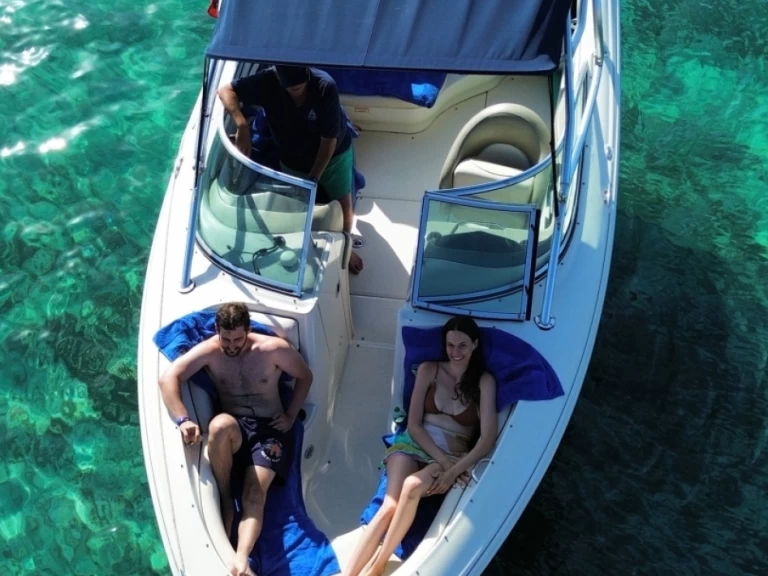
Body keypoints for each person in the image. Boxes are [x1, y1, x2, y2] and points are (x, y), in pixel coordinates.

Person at [158, 302, 313, 576]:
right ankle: (226, 497)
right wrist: (183, 419)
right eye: (226, 339)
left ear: (248, 330)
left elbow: (305, 376)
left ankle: (241, 558)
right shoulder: (211, 351)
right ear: (217, 330)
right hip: (235, 427)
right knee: (218, 425)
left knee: (254, 493)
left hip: (270, 429)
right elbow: (168, 378)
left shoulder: (272, 349)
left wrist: (290, 415)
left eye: (237, 339)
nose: (231, 346)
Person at [343, 316, 497, 576]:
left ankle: (378, 566)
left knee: (412, 486)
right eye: (450, 345)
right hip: (416, 444)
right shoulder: (429, 369)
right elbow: (414, 425)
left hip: (451, 453)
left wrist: (453, 468)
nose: (455, 352)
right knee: (389, 505)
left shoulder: (484, 382)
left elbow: (487, 439)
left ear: (475, 344)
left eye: (462, 345)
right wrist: (446, 465)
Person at [217, 64, 364, 274]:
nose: (297, 90)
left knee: (345, 208)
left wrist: (313, 179)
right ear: (278, 77)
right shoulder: (266, 81)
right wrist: (242, 125)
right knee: (296, 209)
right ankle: (302, 244)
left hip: (333, 156)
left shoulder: (325, 86)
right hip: (292, 159)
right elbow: (226, 90)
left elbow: (329, 140)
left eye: (301, 85)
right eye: (291, 87)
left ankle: (347, 249)